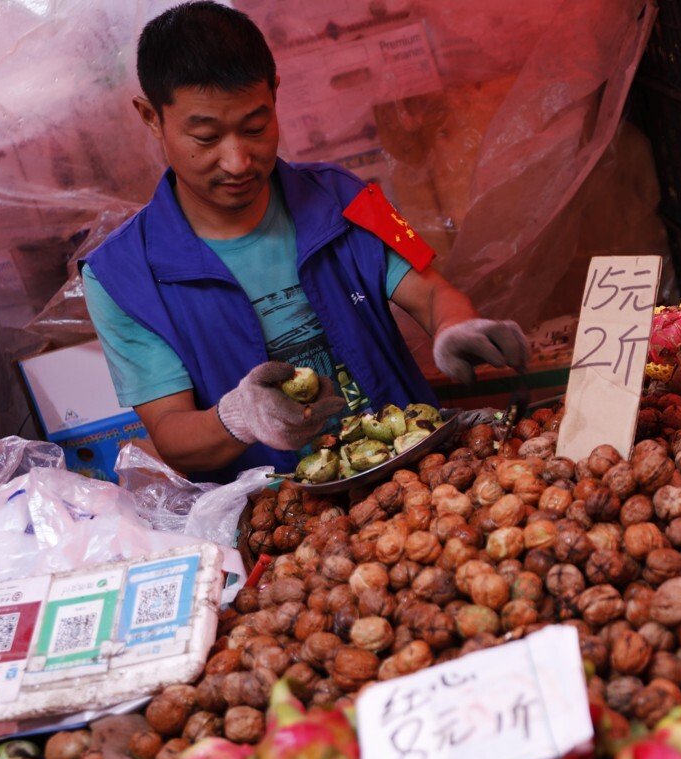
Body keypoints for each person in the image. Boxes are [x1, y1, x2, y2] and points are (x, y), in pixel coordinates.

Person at [82, 1, 527, 482]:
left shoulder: (344, 197)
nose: (237, 161)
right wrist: (237, 417)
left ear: (275, 94)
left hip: (416, 481)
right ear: (151, 117)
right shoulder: (122, 278)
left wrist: (454, 327)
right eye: (207, 137)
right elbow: (171, 435)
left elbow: (433, 293)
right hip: (282, 519)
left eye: (255, 128)